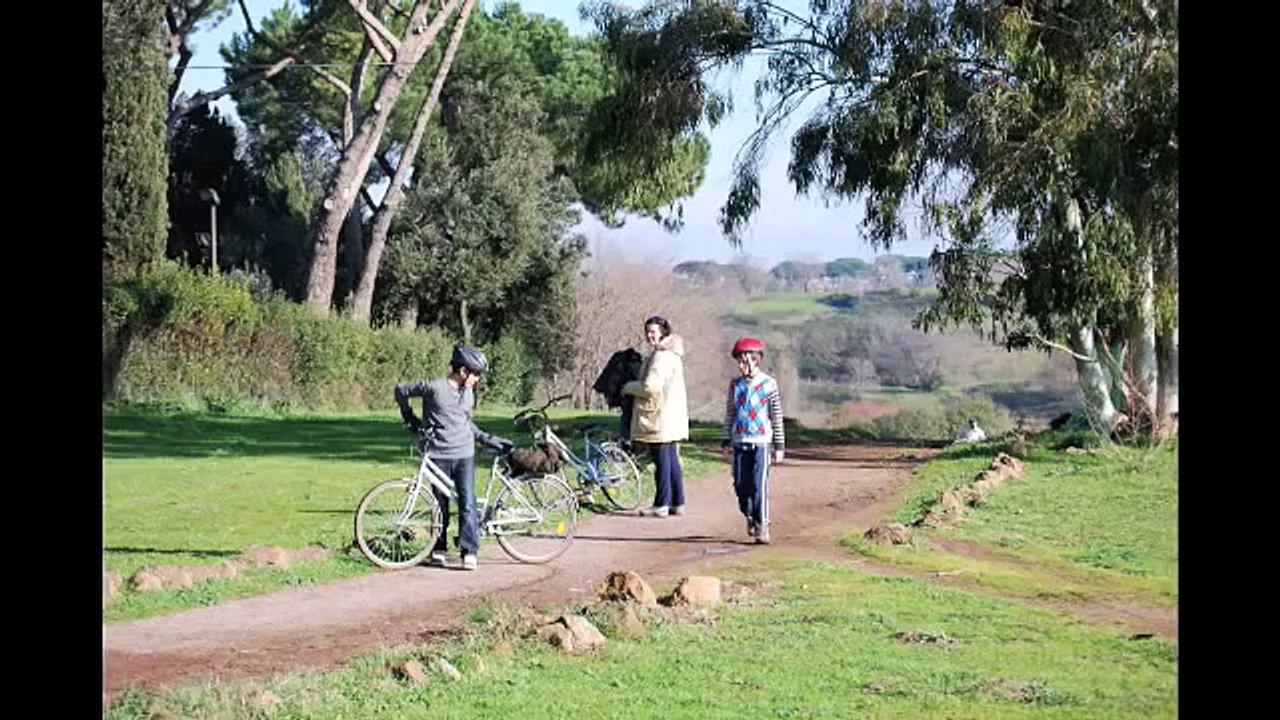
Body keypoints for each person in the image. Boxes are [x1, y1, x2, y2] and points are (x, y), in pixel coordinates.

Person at [394, 344, 514, 570]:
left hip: (464, 453)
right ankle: (438, 548)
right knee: (439, 504)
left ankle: (469, 551)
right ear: (462, 371)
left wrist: (485, 438)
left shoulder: (469, 393)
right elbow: (401, 390)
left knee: (467, 502)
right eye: (475, 374)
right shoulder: (434, 388)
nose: (477, 379)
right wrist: (410, 418)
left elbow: (465, 422)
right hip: (438, 453)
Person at [621, 315, 689, 517]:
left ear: (663, 333)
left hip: (659, 417)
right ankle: (677, 502)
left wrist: (629, 387)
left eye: (653, 332)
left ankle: (661, 504)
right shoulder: (672, 355)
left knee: (662, 461)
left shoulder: (662, 356)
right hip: (670, 416)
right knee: (671, 459)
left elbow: (651, 387)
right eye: (648, 331)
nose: (650, 335)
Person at [721, 337, 785, 544]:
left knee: (759, 485)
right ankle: (749, 515)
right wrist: (725, 440)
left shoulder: (769, 384)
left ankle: (762, 525)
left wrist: (779, 445)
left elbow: (776, 416)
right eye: (738, 360)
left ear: (755, 360)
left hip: (761, 443)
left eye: (744, 360)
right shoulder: (735, 385)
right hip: (739, 442)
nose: (740, 365)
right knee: (741, 485)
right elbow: (730, 413)